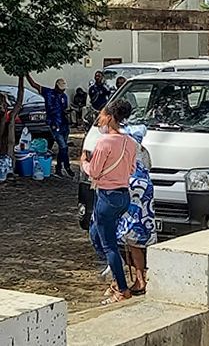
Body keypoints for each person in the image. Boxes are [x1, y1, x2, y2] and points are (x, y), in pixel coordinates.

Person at [82, 99, 137, 305]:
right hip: (123, 196)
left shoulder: (104, 142)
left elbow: (94, 172)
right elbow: (131, 169)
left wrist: (84, 163)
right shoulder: (130, 142)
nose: (100, 120)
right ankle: (116, 271)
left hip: (107, 196)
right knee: (96, 233)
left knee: (108, 244)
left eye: (103, 116)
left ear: (111, 117)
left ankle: (121, 288)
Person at [113, 125, 156, 297]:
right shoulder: (144, 152)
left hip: (130, 191)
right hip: (145, 194)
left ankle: (136, 280)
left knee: (127, 237)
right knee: (136, 240)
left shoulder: (125, 152)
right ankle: (140, 278)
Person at [26, 75, 73, 177]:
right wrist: (26, 74)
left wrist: (67, 112)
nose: (62, 90)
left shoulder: (64, 97)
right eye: (61, 88)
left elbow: (64, 109)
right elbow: (34, 85)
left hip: (64, 124)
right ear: (56, 86)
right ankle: (66, 166)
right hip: (54, 124)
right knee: (63, 146)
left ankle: (59, 168)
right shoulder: (48, 92)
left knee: (63, 149)